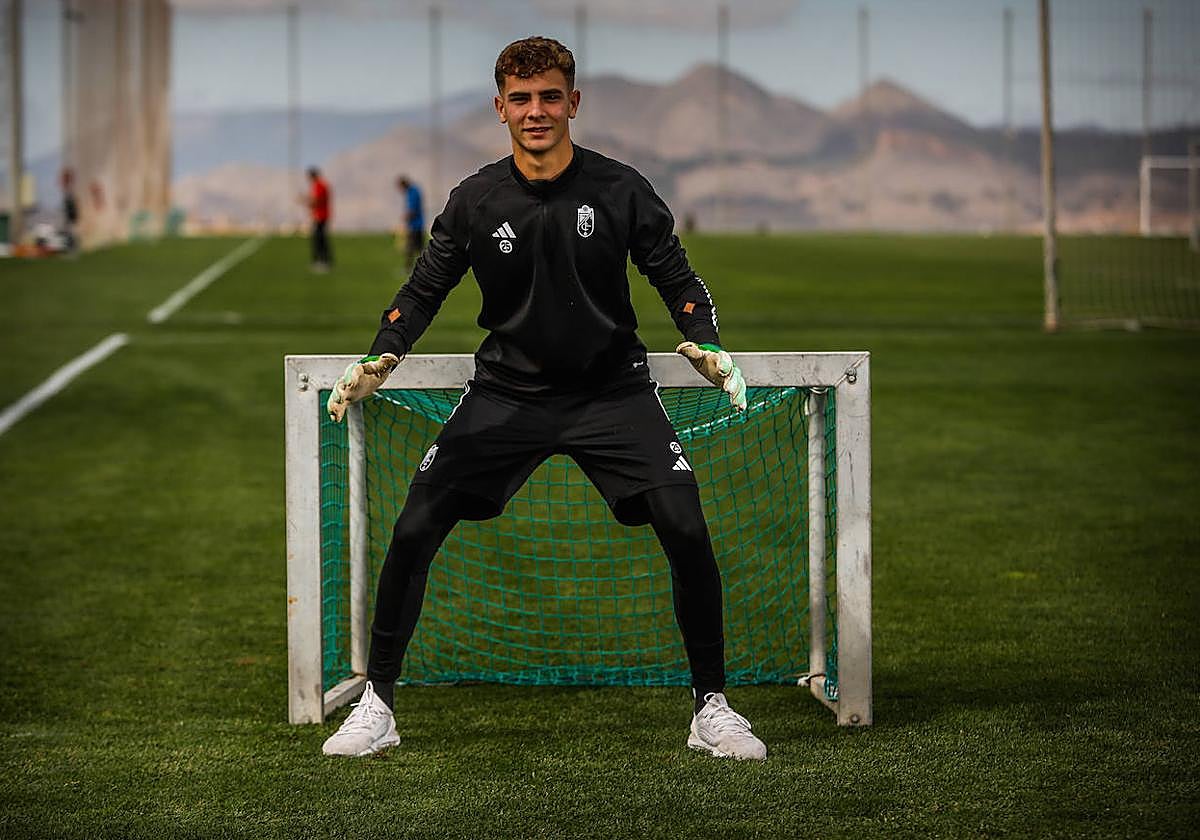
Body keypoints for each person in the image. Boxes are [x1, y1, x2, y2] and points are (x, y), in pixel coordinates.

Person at [322, 36, 764, 762]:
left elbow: (676, 277)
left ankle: (710, 705)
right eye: (521, 99)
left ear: (573, 103)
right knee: (413, 528)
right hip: (507, 395)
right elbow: (423, 289)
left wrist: (705, 337)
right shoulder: (475, 199)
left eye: (550, 97)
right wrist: (383, 352)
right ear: (500, 108)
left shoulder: (621, 189)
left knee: (684, 526)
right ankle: (378, 704)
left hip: (612, 394)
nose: (537, 111)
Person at [304, 166, 333, 272]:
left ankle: (323, 261)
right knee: (319, 239)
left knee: (319, 239)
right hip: (320, 216)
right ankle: (322, 261)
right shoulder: (319, 185)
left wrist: (305, 201)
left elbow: (316, 202)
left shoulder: (319, 185)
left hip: (321, 216)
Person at [395, 175, 425, 267]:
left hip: (416, 226)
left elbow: (412, 210)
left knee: (413, 249)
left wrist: (405, 217)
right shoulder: (411, 192)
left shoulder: (413, 192)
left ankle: (412, 268)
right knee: (415, 249)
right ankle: (419, 267)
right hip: (413, 226)